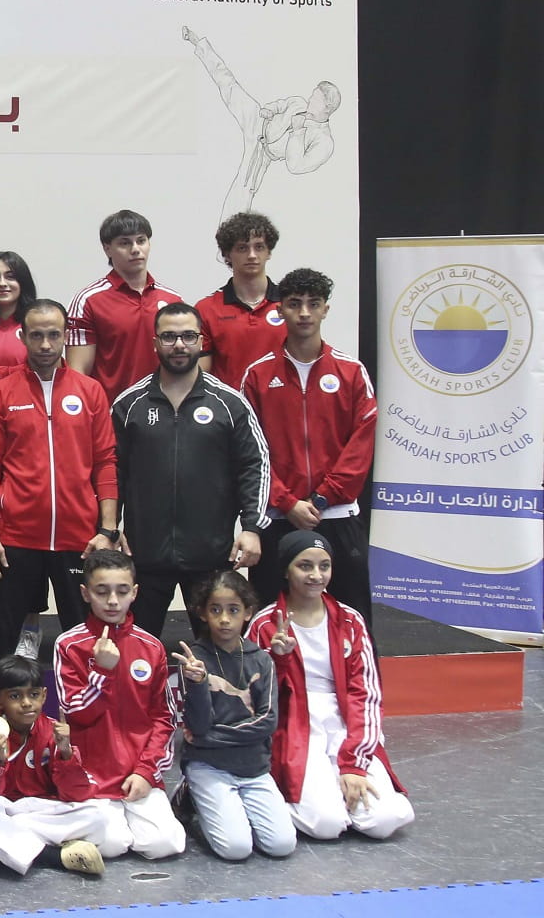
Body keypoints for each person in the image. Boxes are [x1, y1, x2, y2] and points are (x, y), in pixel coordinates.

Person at [111, 302, 271, 638]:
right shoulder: (129, 405)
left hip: (210, 555)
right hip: (144, 555)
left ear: (201, 341)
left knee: (220, 651)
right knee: (136, 651)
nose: (179, 345)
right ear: (155, 343)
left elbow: (254, 465)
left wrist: (252, 527)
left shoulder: (230, 403)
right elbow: (110, 471)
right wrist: (109, 526)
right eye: (169, 337)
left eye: (188, 336)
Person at [0, 300, 117, 666]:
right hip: (14, 538)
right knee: (1, 647)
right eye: (36, 335)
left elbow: (105, 464)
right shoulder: (1, 393)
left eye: (53, 335)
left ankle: (85, 704)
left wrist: (107, 530)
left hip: (78, 539)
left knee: (84, 645)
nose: (45, 344)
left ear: (65, 336)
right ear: (23, 337)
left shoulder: (90, 391)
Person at [248, 531, 412, 840]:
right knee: (326, 824)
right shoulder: (264, 624)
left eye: (324, 566)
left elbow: (366, 696)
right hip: (293, 726)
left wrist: (354, 765)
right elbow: (252, 697)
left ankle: (342, 788)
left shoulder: (350, 621)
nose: (316, 575)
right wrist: (278, 659)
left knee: (384, 821)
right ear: (286, 570)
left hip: (344, 723)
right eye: (305, 566)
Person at [238, 268, 377, 620]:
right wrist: (286, 502)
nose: (304, 313)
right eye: (294, 304)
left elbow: (361, 445)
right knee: (269, 620)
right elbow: (249, 452)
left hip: (338, 516)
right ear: (280, 309)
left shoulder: (351, 371)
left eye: (313, 304)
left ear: (325, 310)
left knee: (352, 617)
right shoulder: (257, 375)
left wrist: (323, 498)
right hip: (278, 518)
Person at [51, 549, 186, 861]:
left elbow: (164, 719)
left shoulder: (151, 647)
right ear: (85, 593)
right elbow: (76, 713)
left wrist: (146, 771)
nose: (112, 601)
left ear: (134, 593)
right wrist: (102, 672)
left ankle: (172, 802)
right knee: (113, 845)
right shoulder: (69, 645)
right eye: (102, 591)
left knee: (164, 845)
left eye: (122, 591)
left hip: (137, 773)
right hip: (92, 774)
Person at [171, 570, 295, 860]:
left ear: (248, 612)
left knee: (281, 845)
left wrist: (210, 738)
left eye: (233, 610)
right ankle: (191, 801)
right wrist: (199, 683)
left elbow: (267, 721)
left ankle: (228, 807)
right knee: (236, 849)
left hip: (254, 767)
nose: (224, 619)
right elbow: (198, 725)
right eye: (215, 610)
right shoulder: (194, 661)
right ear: (202, 613)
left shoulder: (261, 659)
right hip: (208, 765)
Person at [0, 655, 108, 876]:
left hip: (39, 809)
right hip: (1, 806)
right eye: (15, 696)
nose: (26, 703)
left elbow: (77, 794)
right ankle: (53, 856)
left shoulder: (54, 730)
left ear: (44, 695)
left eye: (33, 695)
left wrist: (66, 753)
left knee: (98, 816)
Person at [183, 26, 340, 215]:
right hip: (258, 122)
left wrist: (298, 133)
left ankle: (226, 233)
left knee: (243, 192)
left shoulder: (324, 142)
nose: (310, 99)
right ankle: (198, 43)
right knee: (230, 85)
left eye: (315, 99)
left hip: (262, 153)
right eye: (312, 94)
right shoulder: (300, 102)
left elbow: (295, 166)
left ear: (327, 108)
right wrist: (269, 109)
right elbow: (281, 105)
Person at [67, 209, 183, 402]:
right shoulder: (88, 300)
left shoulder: (173, 300)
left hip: (165, 410)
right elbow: (78, 373)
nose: (135, 249)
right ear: (107, 249)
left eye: (141, 240)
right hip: (111, 411)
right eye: (125, 243)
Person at [195, 212, 285, 386]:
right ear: (227, 254)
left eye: (259, 247)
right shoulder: (206, 309)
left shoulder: (290, 305)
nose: (252, 255)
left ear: (269, 252)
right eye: (242, 248)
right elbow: (200, 378)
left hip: (281, 401)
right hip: (228, 402)